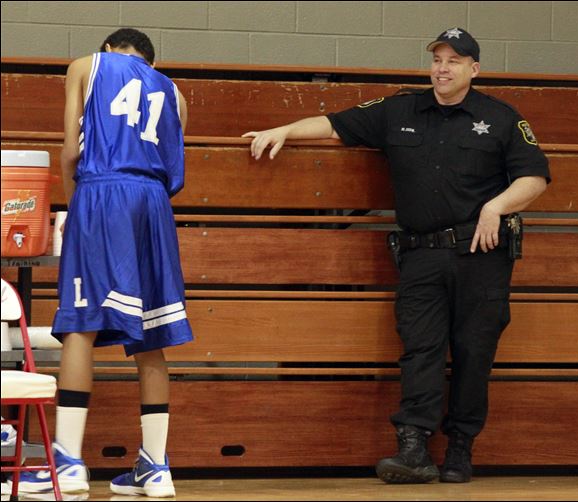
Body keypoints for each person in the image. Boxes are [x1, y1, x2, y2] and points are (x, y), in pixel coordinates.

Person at [243, 27, 550, 484]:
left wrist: (496, 207)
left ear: (474, 69)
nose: (442, 69)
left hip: (481, 254)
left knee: (474, 351)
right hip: (420, 253)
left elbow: (535, 177)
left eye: (453, 61)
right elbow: (335, 124)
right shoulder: (400, 109)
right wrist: (285, 129)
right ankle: (414, 448)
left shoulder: (500, 117)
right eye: (437, 60)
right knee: (420, 350)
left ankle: (460, 449)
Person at [18, 28, 192, 498]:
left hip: (103, 191)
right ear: (151, 62)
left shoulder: (87, 65)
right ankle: (156, 467)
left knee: (81, 322)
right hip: (154, 202)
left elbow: (72, 150)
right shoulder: (174, 93)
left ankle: (68, 463)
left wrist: (76, 208)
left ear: (110, 49)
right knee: (152, 333)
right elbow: (174, 168)